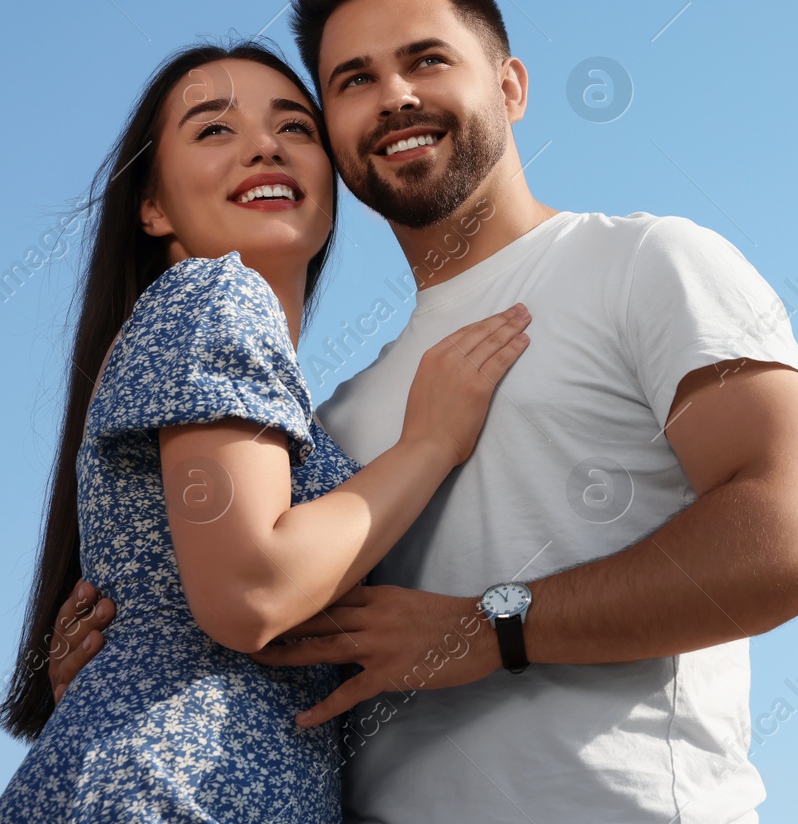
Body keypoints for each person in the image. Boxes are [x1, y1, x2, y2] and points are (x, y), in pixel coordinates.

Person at [45, 0, 798, 822]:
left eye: (425, 60)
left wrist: (494, 624)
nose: (393, 96)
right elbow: (260, 610)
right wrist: (122, 666)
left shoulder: (643, 261)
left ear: (509, 85)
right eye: (351, 81)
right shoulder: (334, 426)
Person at [0, 41, 531, 821]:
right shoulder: (216, 295)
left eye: (296, 127)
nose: (264, 144)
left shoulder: (246, 372)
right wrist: (430, 443)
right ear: (152, 207)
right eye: (215, 129)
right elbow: (252, 590)